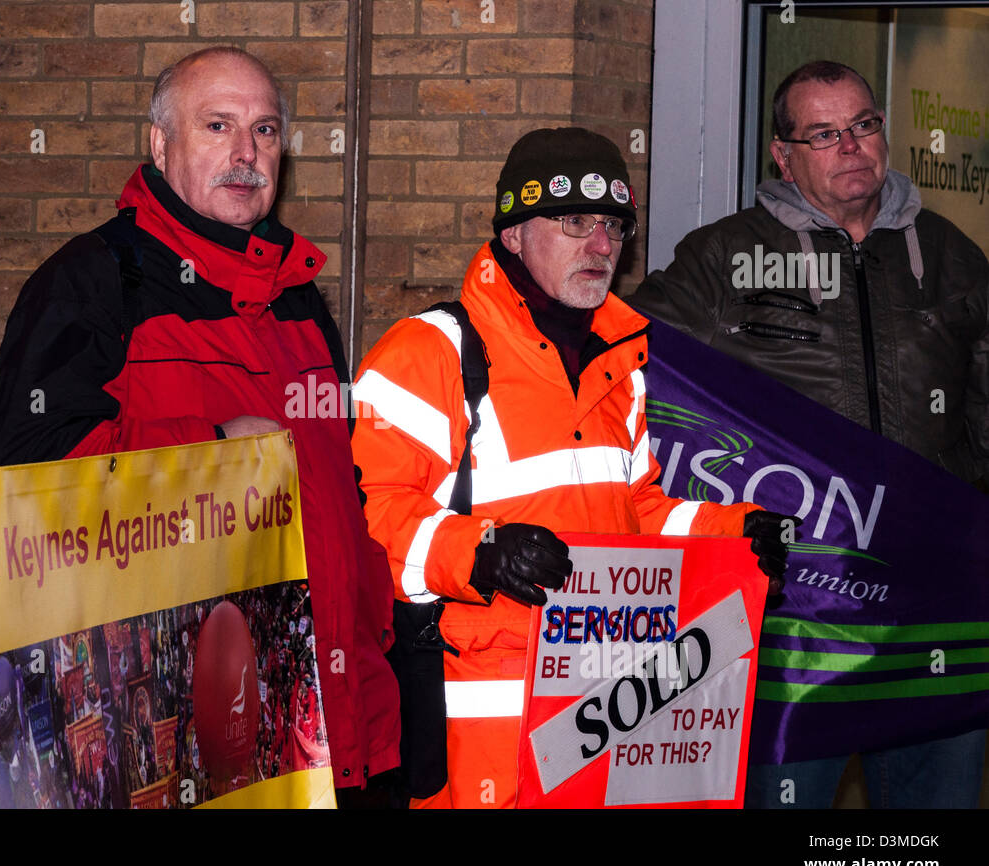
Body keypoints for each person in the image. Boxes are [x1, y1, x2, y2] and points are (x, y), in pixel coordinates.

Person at [0, 46, 401, 803]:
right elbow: (33, 488)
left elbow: (342, 506)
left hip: (330, 732)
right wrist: (208, 453)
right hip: (178, 741)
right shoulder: (90, 283)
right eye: (218, 126)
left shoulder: (298, 296)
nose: (247, 154)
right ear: (159, 143)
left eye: (267, 131)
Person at [350, 127, 786, 809]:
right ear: (515, 233)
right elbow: (368, 523)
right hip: (482, 747)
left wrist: (736, 532)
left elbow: (636, 512)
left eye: (613, 225)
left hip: (608, 722)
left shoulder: (621, 361)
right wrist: (481, 551)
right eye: (575, 222)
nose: (602, 245)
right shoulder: (427, 353)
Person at [628, 60, 989, 809]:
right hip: (797, 609)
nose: (851, 145)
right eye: (824, 134)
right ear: (783, 157)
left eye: (862, 125)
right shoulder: (721, 260)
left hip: (936, 605)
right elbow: (625, 368)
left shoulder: (953, 258)